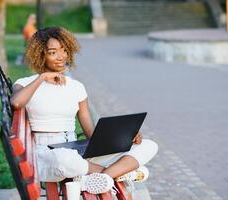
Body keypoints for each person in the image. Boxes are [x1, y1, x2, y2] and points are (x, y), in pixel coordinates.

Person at [10, 27, 158, 194]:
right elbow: (16, 103)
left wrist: (124, 139)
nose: (61, 57)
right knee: (65, 160)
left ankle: (101, 178)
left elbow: (91, 134)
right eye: (52, 52)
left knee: (149, 145)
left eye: (64, 50)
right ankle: (119, 173)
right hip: (47, 154)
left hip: (78, 152)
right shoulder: (25, 83)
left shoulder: (76, 87)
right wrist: (43, 77)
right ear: (41, 54)